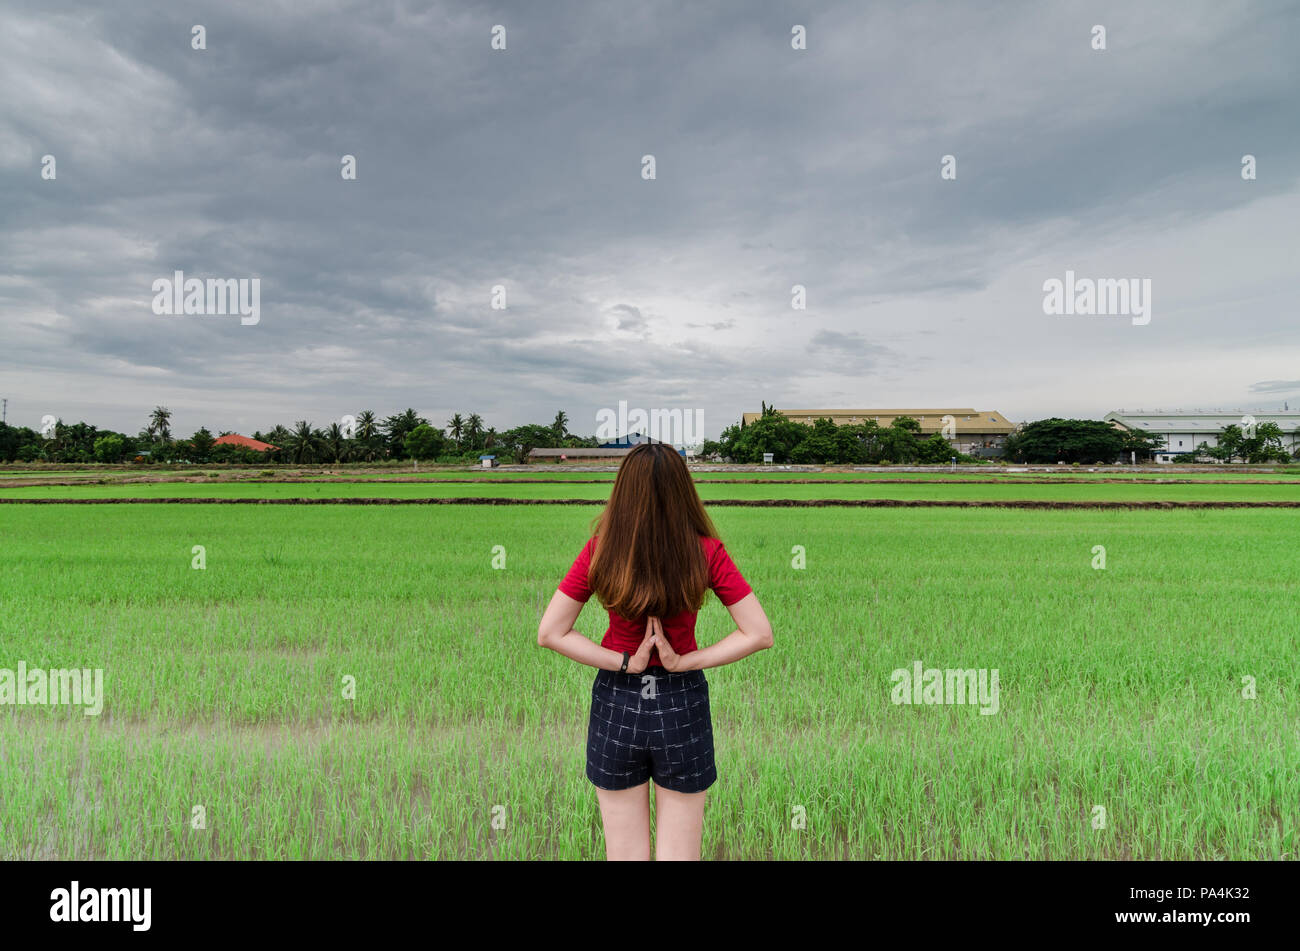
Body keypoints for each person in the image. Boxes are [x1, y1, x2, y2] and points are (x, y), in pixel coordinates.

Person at [537, 442, 774, 860]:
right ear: (684, 491)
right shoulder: (706, 552)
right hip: (681, 704)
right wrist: (682, 661)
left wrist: (625, 662)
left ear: (623, 492)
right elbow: (758, 633)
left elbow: (551, 632)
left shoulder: (601, 549)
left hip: (617, 703)